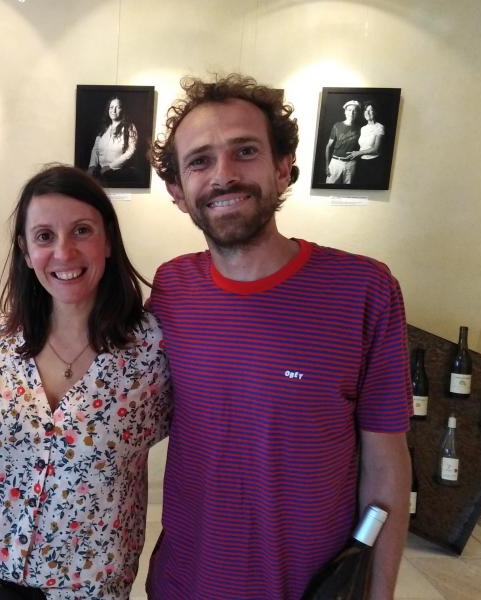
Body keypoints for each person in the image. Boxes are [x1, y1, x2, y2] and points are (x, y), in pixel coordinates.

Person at [146, 74, 410, 599]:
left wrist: (377, 592)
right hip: (185, 583)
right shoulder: (172, 287)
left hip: (311, 587)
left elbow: (386, 464)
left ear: (283, 167)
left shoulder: (365, 289)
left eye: (244, 151)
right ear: (177, 191)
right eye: (199, 161)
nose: (223, 175)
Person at [0, 165, 171, 600]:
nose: (63, 252)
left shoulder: (152, 350)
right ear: (24, 249)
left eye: (81, 231)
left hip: (82, 586)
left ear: (108, 239)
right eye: (44, 236)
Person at [87, 96, 139, 185]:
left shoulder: (129, 127)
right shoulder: (104, 128)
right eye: (111, 107)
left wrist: (110, 166)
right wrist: (92, 166)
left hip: (119, 174)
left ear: (122, 110)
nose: (113, 111)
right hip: (101, 174)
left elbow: (131, 150)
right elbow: (95, 149)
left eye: (117, 107)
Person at [323, 99, 361, 184]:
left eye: (354, 111)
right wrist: (326, 166)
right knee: (329, 189)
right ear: (345, 112)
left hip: (351, 164)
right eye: (349, 110)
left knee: (347, 192)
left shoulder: (360, 129)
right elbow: (328, 146)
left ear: (357, 113)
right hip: (336, 162)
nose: (351, 113)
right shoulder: (337, 126)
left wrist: (357, 153)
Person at [350, 102, 386, 188]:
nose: (368, 112)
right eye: (366, 110)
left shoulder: (380, 127)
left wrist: (357, 153)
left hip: (374, 164)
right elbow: (363, 146)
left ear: (375, 112)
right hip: (361, 163)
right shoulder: (363, 128)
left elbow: (376, 149)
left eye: (371, 110)